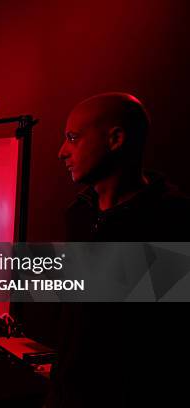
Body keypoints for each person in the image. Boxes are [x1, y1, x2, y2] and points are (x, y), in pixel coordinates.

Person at [48, 92, 190, 407]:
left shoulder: (173, 220)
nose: (61, 152)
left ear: (115, 139)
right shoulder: (78, 214)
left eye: (73, 138)